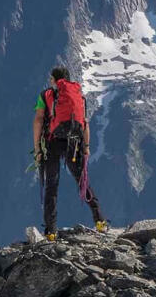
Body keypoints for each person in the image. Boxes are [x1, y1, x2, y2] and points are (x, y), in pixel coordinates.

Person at [33, 63, 107, 238]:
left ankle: (51, 231)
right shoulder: (78, 96)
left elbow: (38, 121)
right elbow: (84, 123)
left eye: (51, 78)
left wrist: (37, 149)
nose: (49, 81)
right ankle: (99, 220)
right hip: (74, 144)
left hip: (51, 143)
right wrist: (86, 147)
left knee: (52, 186)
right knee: (83, 181)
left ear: (55, 80)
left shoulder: (46, 95)